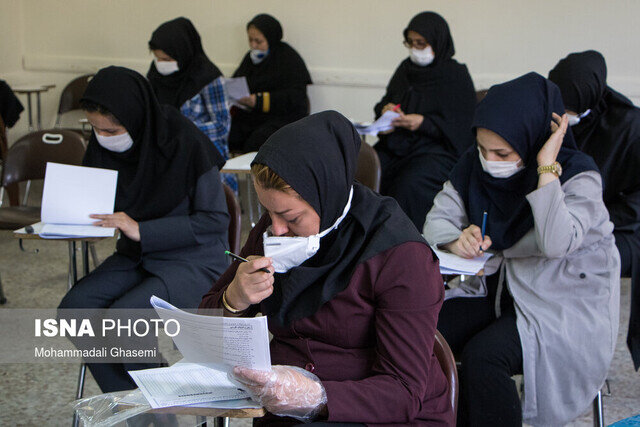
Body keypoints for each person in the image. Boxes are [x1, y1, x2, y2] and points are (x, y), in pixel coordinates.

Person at [200, 111, 453, 425]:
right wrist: (234, 298)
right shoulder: (273, 227)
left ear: (327, 196)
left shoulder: (400, 255)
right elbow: (203, 331)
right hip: (284, 405)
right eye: (268, 212)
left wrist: (315, 395)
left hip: (376, 413)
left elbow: (403, 391)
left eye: (291, 218)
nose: (276, 229)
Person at [424, 73, 620, 426]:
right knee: (422, 332)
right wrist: (457, 239)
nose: (489, 161)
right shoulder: (473, 165)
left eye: (502, 152)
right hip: (498, 289)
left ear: (534, 140)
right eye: (483, 150)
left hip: (560, 301)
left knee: (485, 358)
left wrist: (546, 167)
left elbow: (555, 243)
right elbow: (436, 220)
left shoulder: (580, 177)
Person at [58, 66, 230, 392]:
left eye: (111, 131)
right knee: (73, 310)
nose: (103, 139)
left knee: (126, 319)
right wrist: (68, 216)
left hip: (192, 260)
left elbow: (215, 221)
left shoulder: (185, 143)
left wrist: (142, 229)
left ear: (136, 119)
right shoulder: (102, 148)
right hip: (137, 256)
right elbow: (95, 201)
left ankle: (156, 409)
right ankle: (133, 401)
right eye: (95, 129)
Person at [549, 50, 640, 370]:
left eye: (571, 111)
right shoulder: (551, 117)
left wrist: (594, 220)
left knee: (582, 258)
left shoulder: (630, 127)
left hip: (622, 225)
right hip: (566, 216)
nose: (564, 117)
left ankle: (583, 355)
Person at [374, 11, 476, 231]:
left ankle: (407, 244)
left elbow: (462, 126)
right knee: (367, 171)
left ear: (438, 43)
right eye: (410, 43)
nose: (415, 49)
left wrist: (424, 123)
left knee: (410, 184)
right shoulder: (405, 69)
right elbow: (386, 100)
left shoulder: (455, 75)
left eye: (421, 43)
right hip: (399, 145)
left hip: (438, 150)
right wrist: (387, 110)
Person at [147, 17, 236, 191]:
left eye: (167, 59)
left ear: (182, 53)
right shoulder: (155, 74)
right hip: (162, 149)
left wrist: (182, 130)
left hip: (200, 151)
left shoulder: (208, 77)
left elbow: (221, 126)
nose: (161, 65)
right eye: (158, 59)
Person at [228, 13, 312, 154]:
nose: (253, 45)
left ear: (271, 39)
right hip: (253, 116)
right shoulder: (249, 59)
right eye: (250, 40)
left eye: (258, 41)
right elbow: (236, 82)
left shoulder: (288, 59)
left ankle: (256, 176)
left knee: (257, 141)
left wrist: (259, 100)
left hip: (284, 119)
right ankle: (229, 176)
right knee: (229, 134)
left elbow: (296, 97)